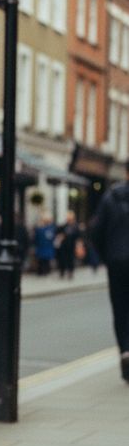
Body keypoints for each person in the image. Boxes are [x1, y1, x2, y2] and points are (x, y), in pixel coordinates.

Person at [90, 161, 129, 382]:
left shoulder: (110, 197)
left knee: (120, 308)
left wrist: (107, 256)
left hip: (116, 262)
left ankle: (125, 351)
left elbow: (95, 231)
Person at [55, 210, 81, 280]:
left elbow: (78, 236)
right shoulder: (63, 226)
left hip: (72, 245)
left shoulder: (76, 226)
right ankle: (62, 272)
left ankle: (70, 272)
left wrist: (78, 244)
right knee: (62, 260)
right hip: (64, 246)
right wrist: (60, 237)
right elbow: (58, 234)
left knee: (71, 260)